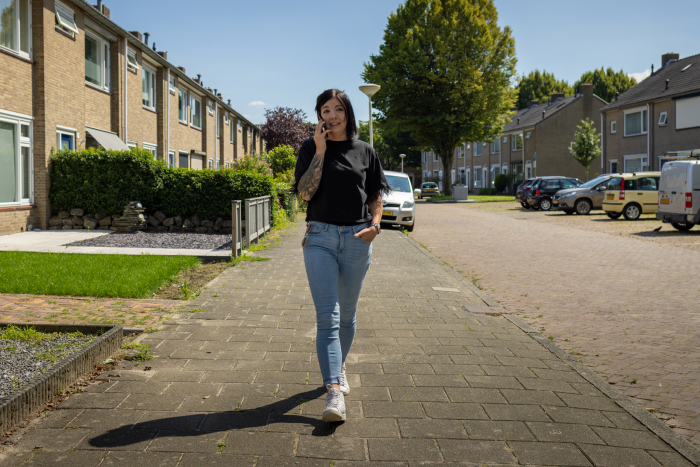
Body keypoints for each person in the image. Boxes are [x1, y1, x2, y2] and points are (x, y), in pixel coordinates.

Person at [294, 89, 389, 422]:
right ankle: (334, 392)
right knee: (328, 318)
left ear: (348, 113)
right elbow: (306, 193)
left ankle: (339, 365)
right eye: (325, 110)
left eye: (338, 109)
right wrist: (320, 150)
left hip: (357, 238)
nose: (331, 116)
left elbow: (376, 196)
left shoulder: (366, 151)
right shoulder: (309, 148)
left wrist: (376, 225)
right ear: (319, 114)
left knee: (347, 315)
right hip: (319, 237)